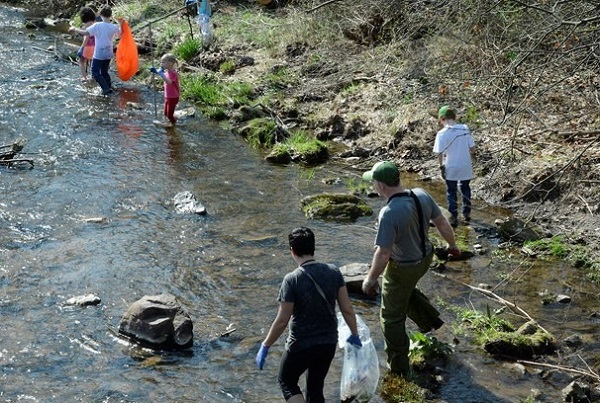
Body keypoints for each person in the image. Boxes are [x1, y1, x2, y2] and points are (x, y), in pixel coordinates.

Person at [361, 160, 460, 378]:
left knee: (390, 318)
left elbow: (383, 254)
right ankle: (430, 320)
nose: (373, 187)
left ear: (381, 186)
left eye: (374, 183)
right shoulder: (421, 194)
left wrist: (369, 280)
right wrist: (452, 246)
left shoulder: (388, 213)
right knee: (405, 291)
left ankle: (399, 369)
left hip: (403, 268)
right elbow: (442, 222)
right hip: (425, 259)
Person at [256, 227, 362, 403]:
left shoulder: (291, 280)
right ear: (313, 247)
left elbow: (282, 321)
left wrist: (266, 345)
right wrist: (355, 334)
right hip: (328, 342)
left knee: (287, 381)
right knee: (315, 388)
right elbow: (347, 309)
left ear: (292, 251)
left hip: (300, 345)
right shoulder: (334, 272)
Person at [433, 105, 477, 226]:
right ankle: (466, 213)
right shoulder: (464, 129)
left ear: (442, 119)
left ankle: (453, 216)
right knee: (465, 188)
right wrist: (473, 155)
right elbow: (472, 148)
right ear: (454, 117)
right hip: (465, 166)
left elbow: (439, 153)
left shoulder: (441, 134)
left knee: (451, 191)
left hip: (451, 166)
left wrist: (441, 166)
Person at [70, 7, 122, 96]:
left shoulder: (97, 25)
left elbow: (86, 33)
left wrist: (75, 29)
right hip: (109, 53)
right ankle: (108, 86)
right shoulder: (114, 26)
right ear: (110, 15)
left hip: (99, 53)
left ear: (101, 15)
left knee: (95, 72)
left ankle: (106, 89)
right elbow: (120, 34)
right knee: (104, 71)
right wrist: (120, 23)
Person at [150, 54, 180, 127]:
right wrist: (155, 72)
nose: (161, 64)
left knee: (169, 115)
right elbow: (159, 72)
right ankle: (174, 117)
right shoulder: (166, 71)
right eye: (161, 62)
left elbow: (169, 82)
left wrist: (161, 74)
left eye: (163, 62)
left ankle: (174, 124)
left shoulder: (173, 73)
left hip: (173, 97)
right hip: (167, 96)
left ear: (170, 63)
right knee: (166, 113)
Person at [76, 7, 97, 82]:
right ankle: (92, 77)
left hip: (87, 47)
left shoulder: (85, 26)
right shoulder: (95, 25)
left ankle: (84, 77)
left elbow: (86, 37)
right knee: (92, 62)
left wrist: (81, 48)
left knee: (81, 61)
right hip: (95, 47)